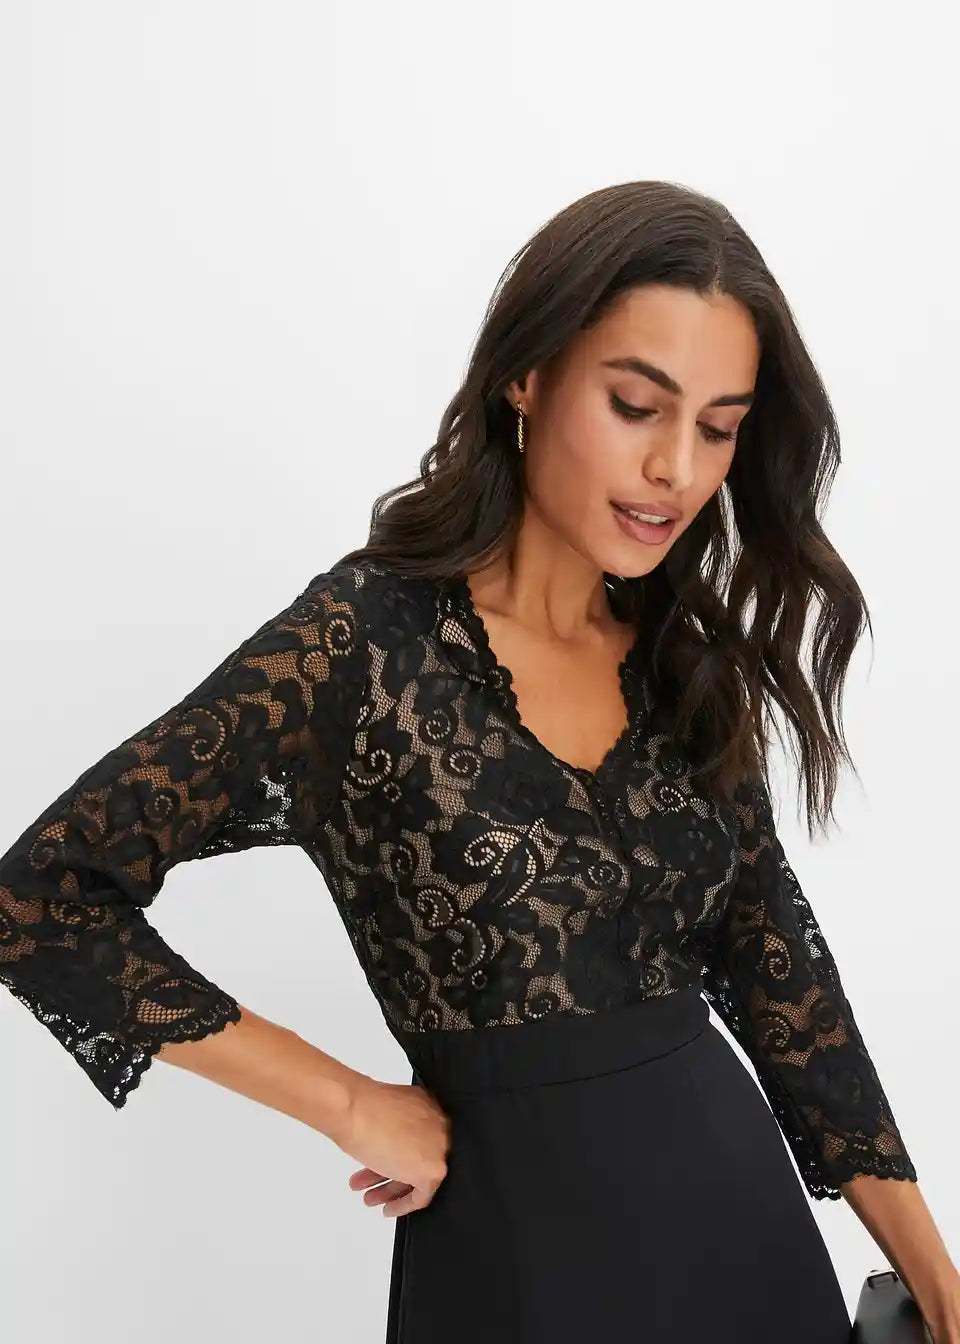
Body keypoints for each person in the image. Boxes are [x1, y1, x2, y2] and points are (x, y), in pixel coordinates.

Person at [1, 179, 957, 1344]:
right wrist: (349, 1102)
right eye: (636, 405)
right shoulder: (362, 645)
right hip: (517, 1268)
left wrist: (934, 1274)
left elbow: (778, 973)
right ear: (529, 376)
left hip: (746, 1243)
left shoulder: (683, 664)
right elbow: (39, 898)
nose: (675, 467)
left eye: (717, 428)